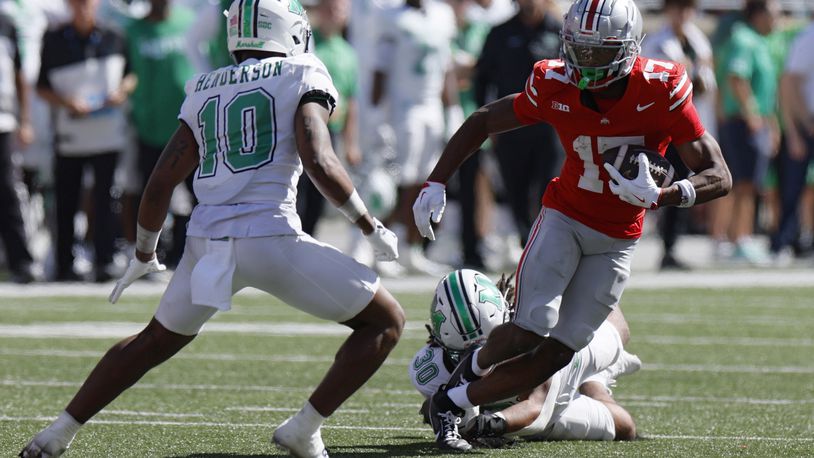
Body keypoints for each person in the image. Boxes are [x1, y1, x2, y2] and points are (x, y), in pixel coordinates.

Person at [20, 1, 405, 457]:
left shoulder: (203, 85)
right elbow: (318, 158)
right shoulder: (302, 70)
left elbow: (162, 179)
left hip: (207, 244)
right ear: (289, 30)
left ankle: (57, 433)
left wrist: (144, 253)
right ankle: (303, 428)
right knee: (386, 322)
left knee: (151, 342)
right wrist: (368, 224)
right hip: (272, 239)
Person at [412, 0, 731, 450]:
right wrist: (436, 182)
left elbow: (719, 174)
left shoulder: (662, 86)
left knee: (560, 350)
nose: (585, 62)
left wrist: (666, 194)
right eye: (578, 49)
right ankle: (458, 395)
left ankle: (453, 398)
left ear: (627, 49)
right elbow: (484, 119)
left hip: (619, 237)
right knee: (528, 327)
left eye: (599, 52)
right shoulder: (552, 80)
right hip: (565, 215)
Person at [409, 270, 639, 445]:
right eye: (464, 354)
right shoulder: (431, 368)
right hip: (538, 413)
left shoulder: (525, 335)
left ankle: (598, 373)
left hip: (562, 369)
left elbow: (535, 403)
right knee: (626, 427)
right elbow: (438, 412)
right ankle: (596, 384)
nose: (481, 360)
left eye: (490, 346)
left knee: (618, 332)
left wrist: (487, 425)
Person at [37, 0, 136, 282]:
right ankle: (65, 263)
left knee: (106, 200)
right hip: (70, 136)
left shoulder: (114, 35)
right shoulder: (55, 39)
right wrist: (67, 102)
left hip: (107, 134)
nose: (83, 8)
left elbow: (131, 75)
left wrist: (122, 92)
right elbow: (42, 86)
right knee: (67, 201)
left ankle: (104, 260)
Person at [372, 0, 459, 276]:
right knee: (397, 181)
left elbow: (446, 68)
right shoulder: (391, 17)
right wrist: (377, 116)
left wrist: (452, 109)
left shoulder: (442, 15)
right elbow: (380, 70)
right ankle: (383, 247)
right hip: (402, 108)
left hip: (430, 106)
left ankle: (412, 247)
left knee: (425, 179)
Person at [473, 0, 563, 249]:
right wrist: (487, 124)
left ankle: (548, 244)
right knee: (516, 190)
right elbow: (482, 80)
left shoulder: (559, 31)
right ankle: (528, 243)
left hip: (550, 129)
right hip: (511, 128)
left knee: (549, 187)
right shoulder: (500, 33)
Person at [642, 0, 717, 271]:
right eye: (677, 8)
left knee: (683, 183)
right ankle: (661, 241)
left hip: (690, 123)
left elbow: (707, 83)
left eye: (686, 8)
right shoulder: (658, 42)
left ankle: (671, 245)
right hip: (664, 125)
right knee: (659, 180)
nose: (682, 14)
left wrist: (694, 74)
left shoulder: (698, 41)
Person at [125, 0, 199, 266]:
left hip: (188, 127)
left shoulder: (190, 23)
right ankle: (149, 255)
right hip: (149, 126)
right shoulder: (133, 30)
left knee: (197, 194)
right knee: (152, 193)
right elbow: (127, 74)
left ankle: (187, 251)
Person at [711, 0, 780, 264]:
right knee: (743, 184)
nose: (777, 19)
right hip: (742, 122)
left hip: (755, 121)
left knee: (751, 184)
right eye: (773, 14)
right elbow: (737, 77)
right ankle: (736, 239)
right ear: (759, 14)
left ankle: (743, 237)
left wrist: (770, 124)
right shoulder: (744, 39)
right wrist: (752, 115)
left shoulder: (759, 41)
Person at [296, 0, 361, 236]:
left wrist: (351, 143)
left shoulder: (349, 53)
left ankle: (308, 238)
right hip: (307, 128)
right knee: (300, 189)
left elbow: (351, 100)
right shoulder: (310, 45)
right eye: (331, 8)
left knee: (320, 196)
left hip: (331, 128)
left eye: (341, 9)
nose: (336, 14)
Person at [770, 17, 813, 261]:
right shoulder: (809, 38)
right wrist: (799, 127)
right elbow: (788, 83)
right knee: (792, 187)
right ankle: (783, 243)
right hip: (805, 123)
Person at [0, 9, 36, 283]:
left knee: (8, 191)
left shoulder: (7, 23)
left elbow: (18, 74)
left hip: (3, 120)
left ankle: (21, 261)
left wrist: (24, 119)